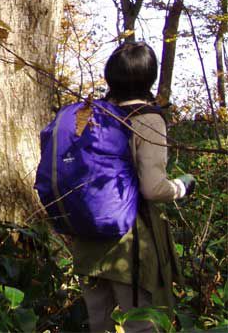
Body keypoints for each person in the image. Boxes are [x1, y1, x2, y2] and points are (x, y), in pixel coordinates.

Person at [71, 42, 195, 333]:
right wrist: (183, 185)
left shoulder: (90, 115)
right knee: (143, 326)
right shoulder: (148, 119)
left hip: (87, 241)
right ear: (149, 77)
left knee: (96, 325)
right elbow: (153, 189)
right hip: (130, 245)